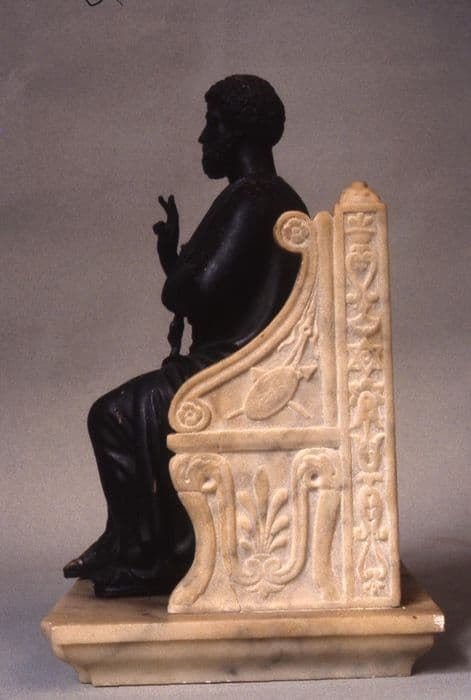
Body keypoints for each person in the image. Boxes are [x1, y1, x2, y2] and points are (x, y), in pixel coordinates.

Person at [63, 75, 308, 597]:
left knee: (113, 414)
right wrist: (175, 259)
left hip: (237, 367)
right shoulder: (254, 196)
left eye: (212, 124)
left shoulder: (256, 198)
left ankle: (145, 554)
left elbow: (196, 290)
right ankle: (129, 540)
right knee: (119, 410)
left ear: (239, 131)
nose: (203, 137)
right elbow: (205, 288)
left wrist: (178, 274)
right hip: (235, 358)